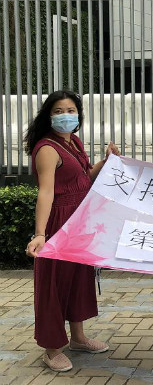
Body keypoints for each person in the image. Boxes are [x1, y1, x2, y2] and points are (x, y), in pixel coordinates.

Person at [24, 90, 120, 372]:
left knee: (78, 278)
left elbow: (84, 177)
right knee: (53, 285)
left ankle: (78, 338)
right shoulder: (47, 149)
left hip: (79, 220)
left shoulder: (73, 142)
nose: (65, 116)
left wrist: (106, 162)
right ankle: (52, 349)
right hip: (58, 223)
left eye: (70, 110)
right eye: (58, 111)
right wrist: (40, 234)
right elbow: (46, 192)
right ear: (48, 116)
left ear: (78, 115)